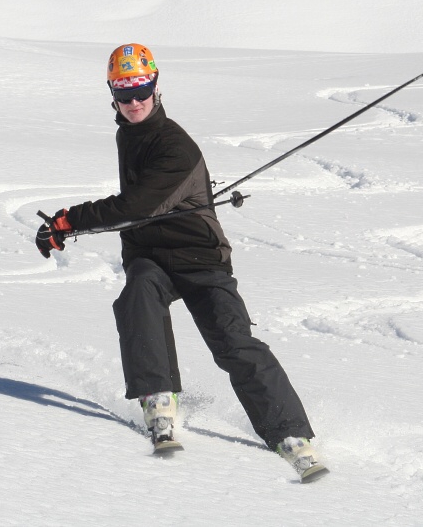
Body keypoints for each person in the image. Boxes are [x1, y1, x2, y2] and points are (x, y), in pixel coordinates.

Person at [35, 43, 328, 483]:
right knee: (138, 297)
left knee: (233, 342)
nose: (134, 101)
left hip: (199, 257)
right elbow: (139, 213)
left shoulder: (176, 146)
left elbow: (137, 204)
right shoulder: (128, 132)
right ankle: (159, 402)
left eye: (141, 90)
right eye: (124, 92)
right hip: (149, 254)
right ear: (111, 93)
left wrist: (68, 220)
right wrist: (67, 225)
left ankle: (291, 436)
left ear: (156, 87)